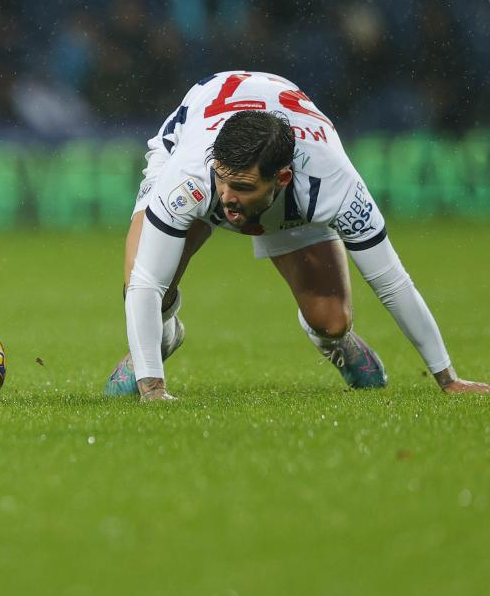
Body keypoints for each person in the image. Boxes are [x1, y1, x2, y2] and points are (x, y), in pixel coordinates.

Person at [107, 70, 489, 401]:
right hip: (200, 155)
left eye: (240, 185)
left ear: (282, 178)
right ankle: (164, 335)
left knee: (331, 319)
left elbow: (392, 283)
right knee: (142, 283)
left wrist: (448, 379)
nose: (226, 197)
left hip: (287, 203)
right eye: (222, 181)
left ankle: (337, 343)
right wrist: (153, 389)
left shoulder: (333, 184)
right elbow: (145, 283)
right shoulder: (191, 174)